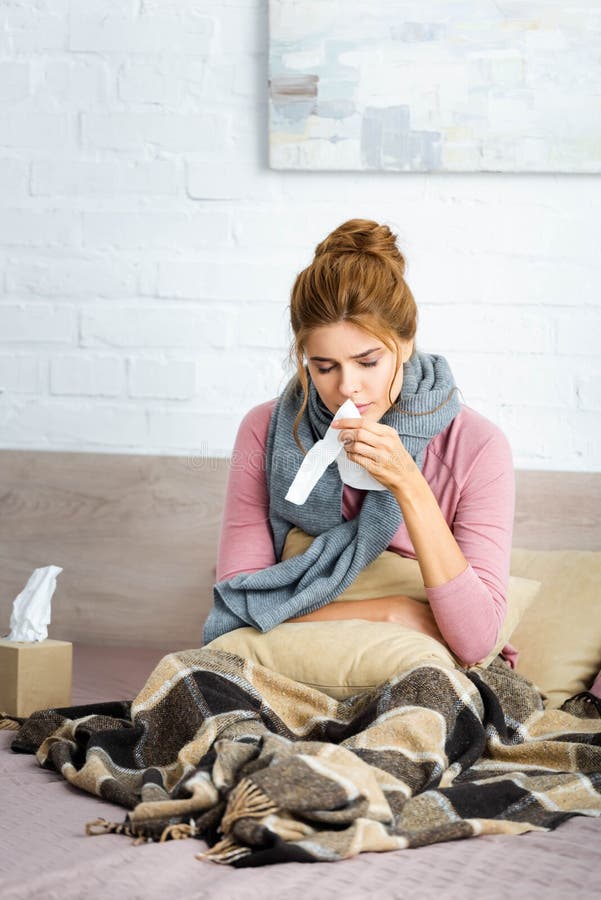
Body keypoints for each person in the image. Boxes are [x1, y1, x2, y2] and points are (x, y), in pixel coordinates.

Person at [203, 218, 516, 668]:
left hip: (414, 672)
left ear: (405, 344)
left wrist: (408, 484)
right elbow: (237, 608)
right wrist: (390, 612)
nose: (348, 387)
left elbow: (476, 641)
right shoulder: (267, 430)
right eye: (324, 367)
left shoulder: (477, 445)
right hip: (295, 662)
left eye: (368, 361)